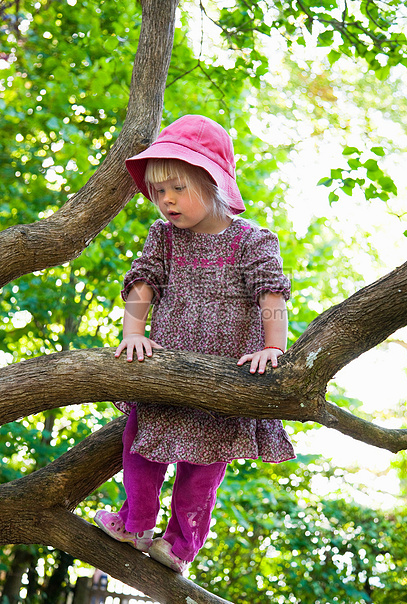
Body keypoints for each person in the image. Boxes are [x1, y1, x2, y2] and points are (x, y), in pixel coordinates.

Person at [94, 114, 295, 573]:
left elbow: (271, 294)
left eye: (177, 188)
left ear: (214, 182)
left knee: (205, 467)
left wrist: (273, 348)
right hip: (166, 366)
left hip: (223, 379)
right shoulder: (163, 239)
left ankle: (180, 546)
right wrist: (133, 336)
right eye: (158, 191)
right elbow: (142, 284)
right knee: (141, 443)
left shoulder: (252, 241)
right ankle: (136, 521)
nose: (165, 200)